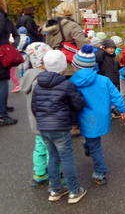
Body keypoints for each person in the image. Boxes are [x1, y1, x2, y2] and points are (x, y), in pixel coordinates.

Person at [31, 50, 87, 204]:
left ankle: (55, 190)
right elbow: (78, 104)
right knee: (66, 158)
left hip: (43, 128)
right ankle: (74, 191)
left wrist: (43, 122)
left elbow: (34, 107)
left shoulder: (38, 84)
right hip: (61, 127)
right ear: (63, 67)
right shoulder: (66, 84)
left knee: (53, 158)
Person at [70, 45, 125, 185]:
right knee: (93, 141)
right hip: (100, 117)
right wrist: (123, 110)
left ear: (75, 66)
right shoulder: (104, 80)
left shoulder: (72, 83)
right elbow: (116, 95)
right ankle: (88, 146)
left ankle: (100, 172)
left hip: (82, 118)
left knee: (94, 146)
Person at [20, 42, 52, 186]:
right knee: (52, 149)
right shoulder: (42, 80)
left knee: (39, 148)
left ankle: (39, 173)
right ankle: (55, 173)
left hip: (35, 123)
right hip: (46, 122)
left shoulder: (28, 76)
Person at [42, 1, 88, 76]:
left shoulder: (49, 25)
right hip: (69, 63)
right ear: (72, 11)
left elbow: (47, 43)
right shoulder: (73, 25)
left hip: (53, 63)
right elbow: (82, 45)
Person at [0, 0, 20, 126]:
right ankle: (2, 114)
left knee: (3, 82)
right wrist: (12, 48)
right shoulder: (4, 17)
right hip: (3, 53)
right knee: (3, 82)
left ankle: (3, 108)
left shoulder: (5, 17)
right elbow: (16, 35)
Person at [96, 39, 121, 118]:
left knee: (112, 97)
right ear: (104, 48)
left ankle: (112, 110)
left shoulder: (113, 57)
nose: (112, 50)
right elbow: (97, 57)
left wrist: (120, 66)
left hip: (114, 80)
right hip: (105, 80)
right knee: (106, 97)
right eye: (110, 48)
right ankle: (107, 113)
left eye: (113, 48)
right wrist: (101, 49)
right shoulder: (102, 56)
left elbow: (115, 67)